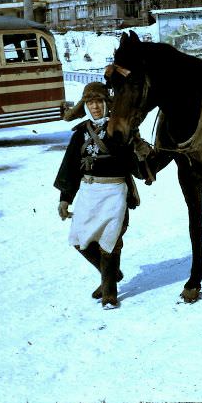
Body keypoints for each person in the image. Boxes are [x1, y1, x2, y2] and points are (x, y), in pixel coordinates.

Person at [54, 81, 145, 309]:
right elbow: (70, 168)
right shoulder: (80, 134)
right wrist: (65, 198)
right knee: (80, 241)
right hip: (88, 192)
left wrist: (142, 153)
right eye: (90, 102)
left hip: (114, 192)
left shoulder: (120, 128)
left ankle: (110, 292)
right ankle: (111, 274)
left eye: (99, 101)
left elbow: (135, 164)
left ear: (107, 103)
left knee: (110, 242)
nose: (95, 107)